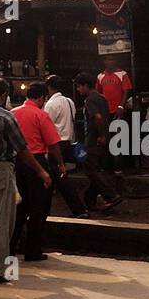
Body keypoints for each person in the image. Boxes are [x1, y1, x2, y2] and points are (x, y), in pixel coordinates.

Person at [0, 78, 49, 284]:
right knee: (2, 221)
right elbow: (22, 150)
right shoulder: (6, 117)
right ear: (3, 96)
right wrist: (41, 171)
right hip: (0, 168)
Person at [11, 81, 63, 262]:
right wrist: (61, 164)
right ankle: (32, 250)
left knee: (19, 207)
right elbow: (53, 144)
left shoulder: (12, 113)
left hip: (17, 161)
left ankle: (11, 246)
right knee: (39, 207)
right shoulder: (40, 115)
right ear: (41, 98)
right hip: (37, 162)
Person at [74, 72, 123, 213]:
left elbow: (98, 117)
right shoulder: (102, 98)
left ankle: (111, 196)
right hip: (104, 139)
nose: (78, 90)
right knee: (95, 169)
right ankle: (90, 202)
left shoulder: (89, 100)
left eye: (79, 87)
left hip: (94, 140)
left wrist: (100, 135)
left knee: (91, 170)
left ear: (85, 85)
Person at [43, 74, 88, 217]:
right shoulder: (69, 102)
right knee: (53, 178)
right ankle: (45, 210)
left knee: (61, 179)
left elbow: (46, 124)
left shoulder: (51, 104)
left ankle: (79, 209)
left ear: (49, 87)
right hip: (67, 141)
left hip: (55, 144)